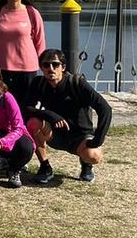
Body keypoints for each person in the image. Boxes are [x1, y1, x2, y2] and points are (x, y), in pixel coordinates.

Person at [23, 49, 112, 183]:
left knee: (94, 156)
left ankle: (86, 165)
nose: (50, 69)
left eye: (55, 64)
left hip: (80, 136)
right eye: (46, 65)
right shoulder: (39, 83)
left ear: (63, 67)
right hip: (54, 134)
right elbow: (27, 108)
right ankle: (45, 167)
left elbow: (105, 109)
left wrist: (98, 139)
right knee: (33, 122)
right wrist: (50, 115)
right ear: (41, 67)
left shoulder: (77, 83)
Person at [0, 0, 45, 114]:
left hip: (27, 70)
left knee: (26, 108)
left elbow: (40, 42)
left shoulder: (32, 13)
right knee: (1, 107)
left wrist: (42, 65)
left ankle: (24, 135)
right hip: (1, 69)